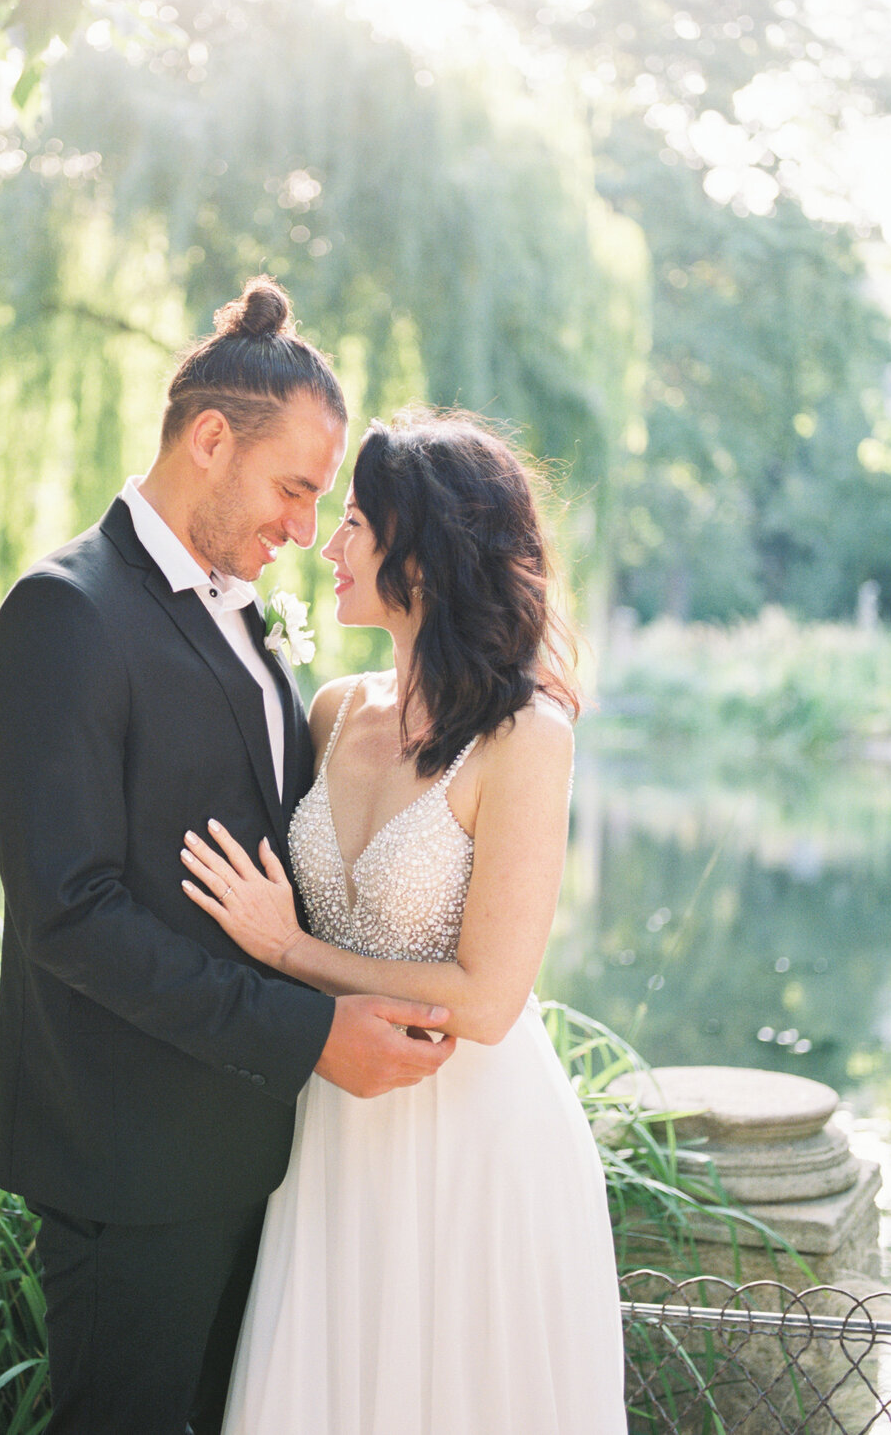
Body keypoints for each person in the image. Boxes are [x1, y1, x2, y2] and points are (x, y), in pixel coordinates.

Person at [0, 281, 455, 1435]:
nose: (305, 528)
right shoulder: (64, 615)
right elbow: (73, 914)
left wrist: (505, 692)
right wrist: (309, 1034)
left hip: (254, 1160)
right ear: (207, 440)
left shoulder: (240, 616)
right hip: (127, 1169)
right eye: (294, 488)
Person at [180, 407, 629, 1434]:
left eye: (353, 523)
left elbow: (487, 996)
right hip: (336, 1126)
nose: (324, 545)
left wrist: (288, 946)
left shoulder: (527, 735)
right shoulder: (333, 711)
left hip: (475, 1142)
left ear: (418, 552)